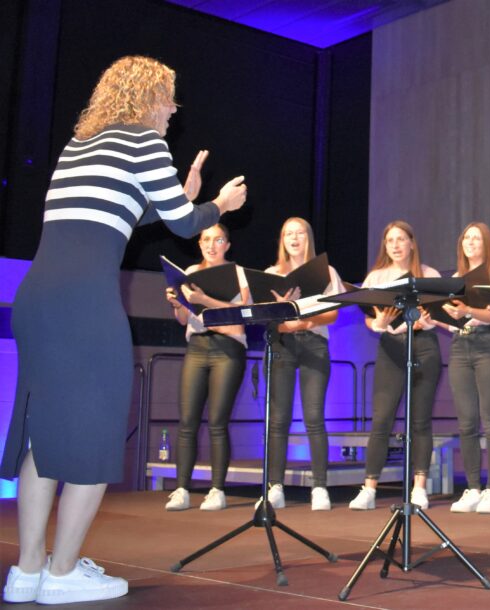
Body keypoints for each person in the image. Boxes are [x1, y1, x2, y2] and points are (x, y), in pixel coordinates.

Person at [1, 55, 246, 605]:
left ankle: (29, 570)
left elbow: (113, 216)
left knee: (47, 433)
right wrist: (215, 205)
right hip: (85, 303)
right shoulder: (145, 144)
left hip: (37, 300)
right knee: (93, 431)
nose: (173, 111)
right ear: (151, 97)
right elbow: (184, 224)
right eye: (171, 99)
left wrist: (178, 194)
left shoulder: (78, 147)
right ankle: (64, 573)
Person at [349, 221, 443, 511]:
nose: (396, 245)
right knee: (381, 419)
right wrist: (375, 323)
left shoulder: (428, 274)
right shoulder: (376, 277)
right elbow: (368, 314)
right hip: (391, 348)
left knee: (419, 420)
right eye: (390, 240)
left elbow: (438, 314)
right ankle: (369, 488)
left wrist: (429, 320)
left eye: (401, 239)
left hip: (424, 345)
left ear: (412, 243)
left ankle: (419, 487)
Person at [163, 224, 250, 513]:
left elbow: (242, 314)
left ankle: (217, 490)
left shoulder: (237, 273)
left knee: (217, 422)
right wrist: (178, 304)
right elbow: (183, 319)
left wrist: (204, 301)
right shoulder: (190, 271)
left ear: (227, 244)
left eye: (218, 240)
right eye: (206, 240)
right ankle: (182, 489)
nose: (211, 245)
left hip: (228, 348)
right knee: (187, 421)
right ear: (200, 244)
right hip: (197, 346)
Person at [264, 218, 344, 511]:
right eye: (288, 233)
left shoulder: (326, 271)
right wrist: (286, 324)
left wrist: (305, 320)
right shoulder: (271, 274)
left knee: (314, 417)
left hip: (314, 343)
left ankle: (319, 486)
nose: (294, 238)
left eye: (299, 233)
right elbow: (268, 317)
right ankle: (275, 486)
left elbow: (333, 314)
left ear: (308, 238)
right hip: (283, 344)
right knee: (279, 419)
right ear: (282, 240)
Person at [442, 222, 490, 514]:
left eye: (477, 238)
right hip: (461, 345)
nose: (470, 242)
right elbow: (451, 321)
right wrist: (439, 316)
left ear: (487, 243)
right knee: (466, 422)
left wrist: (468, 311)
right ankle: (472, 487)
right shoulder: (456, 278)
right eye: (466, 238)